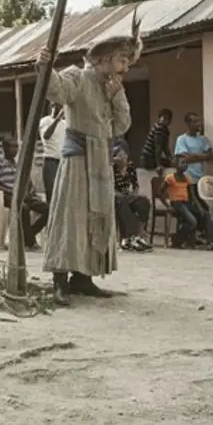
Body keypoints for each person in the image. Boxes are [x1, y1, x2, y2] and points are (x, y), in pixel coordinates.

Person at [36, 34, 135, 304]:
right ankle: (60, 280)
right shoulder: (78, 77)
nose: (125, 68)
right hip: (78, 159)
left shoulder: (113, 87)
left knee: (97, 216)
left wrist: (116, 96)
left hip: (101, 159)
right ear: (105, 58)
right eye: (122, 60)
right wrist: (46, 66)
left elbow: (122, 125)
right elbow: (57, 90)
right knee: (70, 217)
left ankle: (84, 278)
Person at [0, 137, 50, 250]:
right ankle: (30, 242)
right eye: (12, 146)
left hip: (22, 195)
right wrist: (12, 191)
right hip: (7, 195)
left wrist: (31, 191)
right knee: (24, 208)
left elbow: (28, 182)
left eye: (16, 147)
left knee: (49, 209)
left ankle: (28, 236)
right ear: (4, 148)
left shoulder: (18, 164)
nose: (15, 150)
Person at [161, 156, 209, 248]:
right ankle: (177, 240)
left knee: (203, 215)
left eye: (186, 163)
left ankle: (188, 240)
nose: (185, 165)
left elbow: (192, 195)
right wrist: (167, 205)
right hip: (177, 203)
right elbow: (161, 192)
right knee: (192, 222)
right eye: (182, 163)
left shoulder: (187, 178)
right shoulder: (170, 178)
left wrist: (199, 207)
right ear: (176, 165)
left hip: (186, 203)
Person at [113, 146, 152, 252]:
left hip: (126, 194)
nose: (123, 158)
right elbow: (109, 186)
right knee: (122, 200)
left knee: (143, 201)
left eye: (124, 155)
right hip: (114, 195)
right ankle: (128, 237)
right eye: (120, 155)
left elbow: (135, 185)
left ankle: (139, 236)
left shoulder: (130, 167)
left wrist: (134, 195)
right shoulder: (111, 168)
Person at [38, 103, 66, 203]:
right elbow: (46, 136)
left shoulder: (65, 123)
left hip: (63, 161)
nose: (58, 108)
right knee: (51, 192)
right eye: (56, 105)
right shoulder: (45, 121)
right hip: (51, 161)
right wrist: (57, 119)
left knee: (63, 193)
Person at [139, 108, 173, 172]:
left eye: (167, 118)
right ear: (160, 118)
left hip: (150, 158)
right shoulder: (159, 128)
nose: (165, 120)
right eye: (164, 118)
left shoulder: (165, 130)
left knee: (172, 163)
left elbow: (165, 148)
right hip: (148, 159)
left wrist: (170, 158)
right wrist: (158, 165)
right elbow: (158, 147)